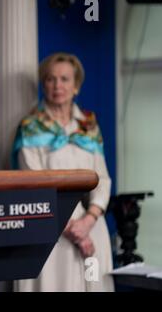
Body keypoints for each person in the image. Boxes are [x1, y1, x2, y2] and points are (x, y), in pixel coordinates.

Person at [11, 52, 114, 292]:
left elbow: (103, 178)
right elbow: (34, 184)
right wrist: (75, 231)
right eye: (50, 79)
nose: (58, 86)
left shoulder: (89, 125)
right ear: (43, 84)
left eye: (65, 79)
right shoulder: (30, 127)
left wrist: (89, 220)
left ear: (76, 85)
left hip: (91, 227)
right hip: (52, 230)